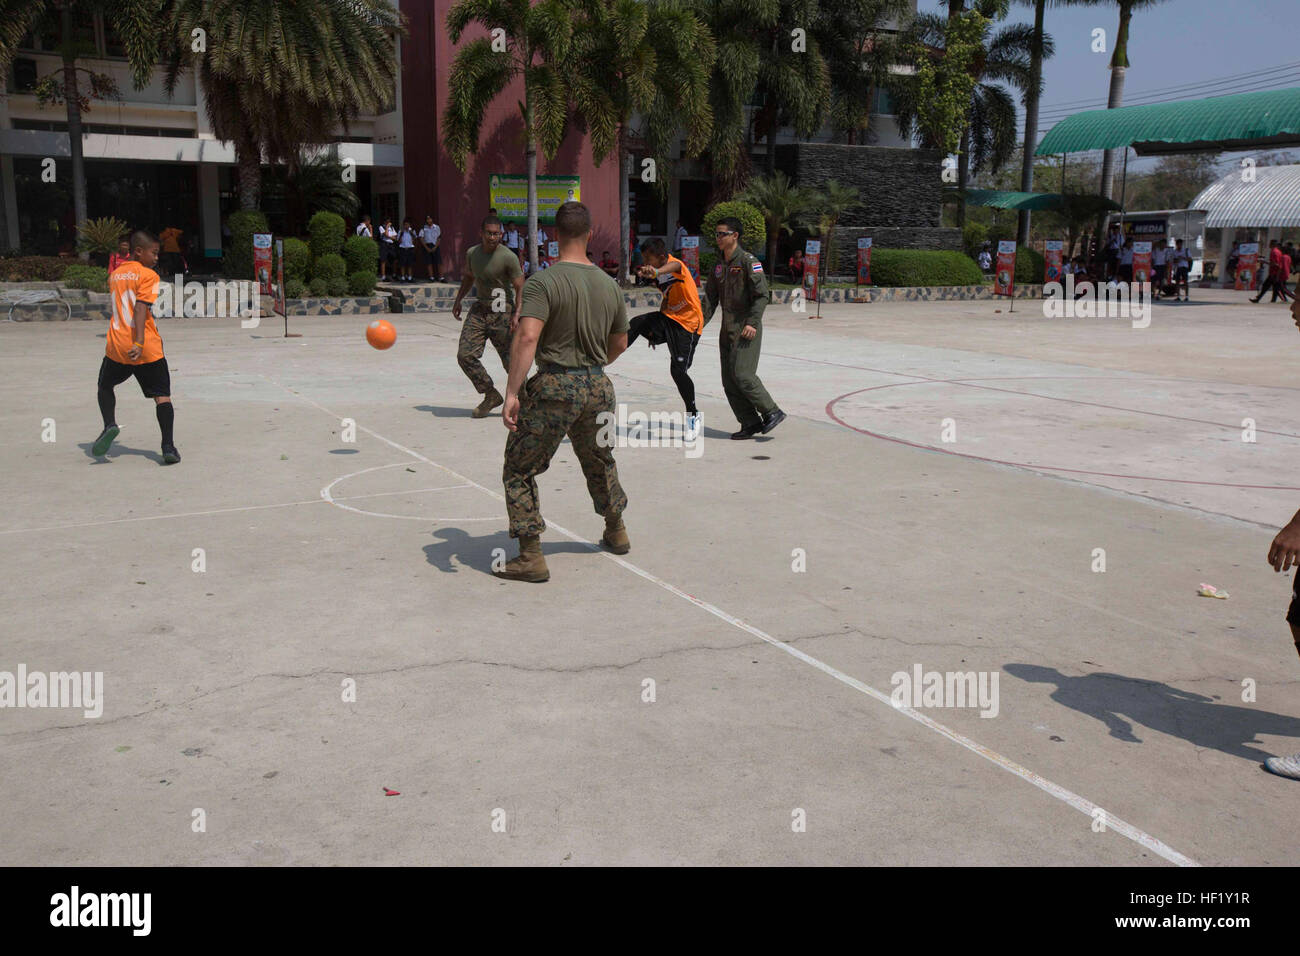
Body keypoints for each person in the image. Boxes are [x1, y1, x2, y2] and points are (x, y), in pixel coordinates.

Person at [497, 200, 629, 582]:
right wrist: (591, 367)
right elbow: (620, 342)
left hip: (556, 385)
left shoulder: (543, 282)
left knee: (519, 468)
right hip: (599, 386)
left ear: (555, 236)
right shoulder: (609, 284)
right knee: (599, 458)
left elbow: (528, 335)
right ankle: (616, 528)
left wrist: (512, 391)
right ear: (589, 235)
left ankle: (531, 555)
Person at [91, 230, 179, 465]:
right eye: (154, 252)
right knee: (162, 397)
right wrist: (139, 342)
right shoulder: (148, 275)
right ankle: (168, 446)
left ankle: (109, 424)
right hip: (146, 347)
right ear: (139, 251)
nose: (157, 257)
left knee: (105, 385)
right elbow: (141, 309)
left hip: (117, 346)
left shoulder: (116, 275)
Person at [703, 216, 785, 440]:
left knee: (743, 374)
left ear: (735, 236)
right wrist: (697, 324)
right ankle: (749, 422)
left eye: (723, 234)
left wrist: (752, 322)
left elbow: (761, 296)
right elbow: (710, 298)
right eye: (717, 234)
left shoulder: (749, 261)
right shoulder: (718, 265)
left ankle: (771, 411)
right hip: (726, 327)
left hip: (745, 326)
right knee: (729, 380)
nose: (718, 238)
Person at [452, 216, 524, 417]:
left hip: (502, 312)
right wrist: (458, 300)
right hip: (480, 310)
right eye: (489, 233)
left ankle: (527, 401)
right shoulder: (472, 253)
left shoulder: (508, 256)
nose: (493, 237)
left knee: (511, 362)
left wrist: (517, 314)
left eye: (497, 234)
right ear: (481, 233)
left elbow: (520, 287)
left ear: (501, 234)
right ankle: (491, 394)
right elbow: (469, 277)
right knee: (465, 355)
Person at [631, 237, 704, 433]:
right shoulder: (655, 274)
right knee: (638, 323)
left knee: (678, 372)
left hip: (688, 325)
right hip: (670, 318)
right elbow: (668, 293)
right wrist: (655, 328)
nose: (646, 262)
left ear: (661, 257)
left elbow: (671, 267)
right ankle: (606, 355)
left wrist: (656, 271)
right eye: (644, 258)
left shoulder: (675, 265)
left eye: (649, 258)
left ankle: (693, 413)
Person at [420, 215, 445, 282]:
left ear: (432, 219)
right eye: (427, 219)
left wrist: (436, 247)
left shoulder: (436, 227)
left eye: (430, 219)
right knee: (429, 262)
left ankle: (441, 277)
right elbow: (421, 238)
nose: (429, 220)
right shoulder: (423, 228)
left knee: (439, 262)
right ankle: (431, 278)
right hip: (427, 246)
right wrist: (426, 247)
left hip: (435, 245)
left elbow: (439, 238)